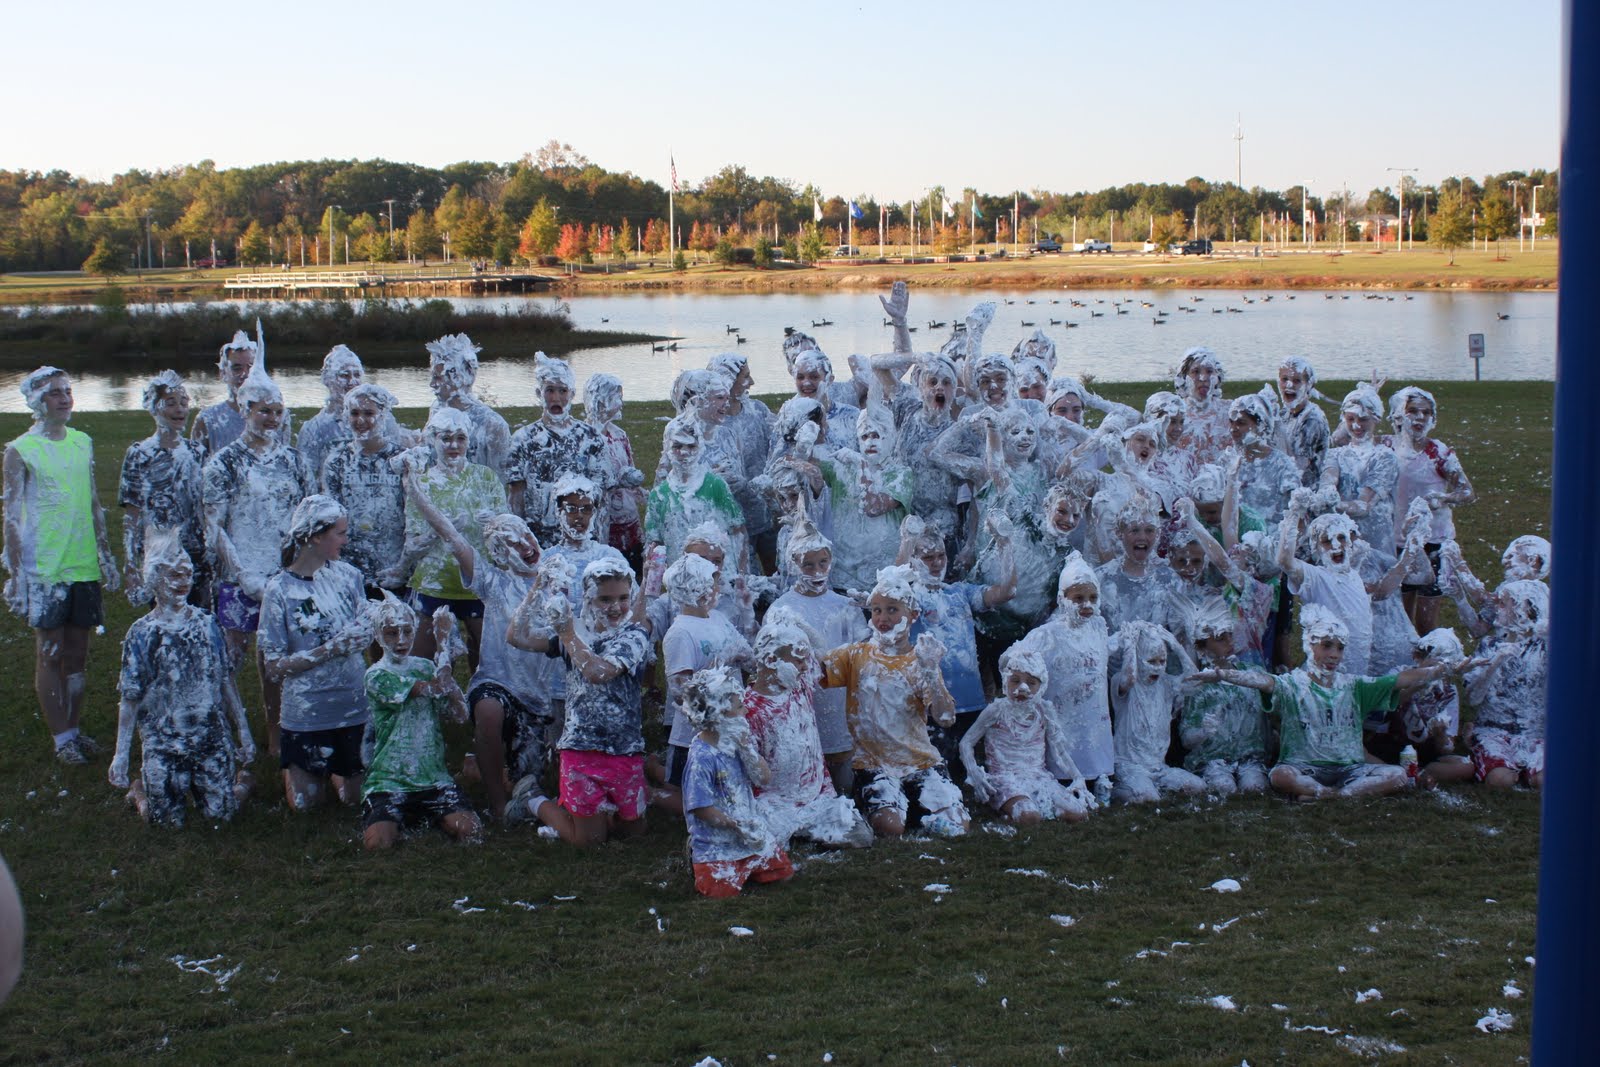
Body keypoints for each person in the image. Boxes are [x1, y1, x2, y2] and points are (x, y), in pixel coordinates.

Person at [406, 468, 549, 823]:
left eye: (526, 537)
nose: (525, 547)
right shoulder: (493, 581)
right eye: (511, 545)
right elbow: (451, 535)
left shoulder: (558, 575)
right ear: (498, 555)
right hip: (499, 682)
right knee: (487, 712)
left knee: (532, 778)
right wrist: (413, 486)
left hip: (543, 694)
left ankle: (481, 765)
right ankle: (497, 805)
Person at [3, 367, 121, 764]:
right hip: (46, 568)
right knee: (49, 652)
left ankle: (74, 727)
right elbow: (13, 517)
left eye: (68, 391)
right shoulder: (20, 450)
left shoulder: (82, 442)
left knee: (77, 654)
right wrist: (17, 575)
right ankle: (62, 738)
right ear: (37, 401)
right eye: (55, 393)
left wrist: (104, 553)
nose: (65, 398)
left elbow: (91, 504)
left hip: (82, 564)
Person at [201, 353, 317, 755]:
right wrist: (242, 573)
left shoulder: (292, 459)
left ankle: (280, 728)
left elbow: (307, 517)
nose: (272, 418)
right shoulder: (224, 463)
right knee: (231, 655)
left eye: (278, 411)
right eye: (264, 410)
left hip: (288, 574)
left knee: (286, 654)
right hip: (241, 576)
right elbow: (214, 527)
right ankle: (217, 726)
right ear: (243, 409)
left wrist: (304, 566)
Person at [1223, 605, 1446, 800]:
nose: (1334, 654)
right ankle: (1327, 792)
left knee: (1397, 775)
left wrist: (1442, 669)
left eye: (1340, 648)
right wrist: (1223, 674)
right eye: (1327, 645)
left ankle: (1333, 795)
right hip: (1303, 768)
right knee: (1279, 776)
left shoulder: (1354, 685)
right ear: (1310, 646)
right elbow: (1264, 682)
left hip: (1350, 769)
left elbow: (1400, 680)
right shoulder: (1293, 684)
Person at [505, 558, 655, 847]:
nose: (615, 607)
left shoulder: (634, 635)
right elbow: (516, 636)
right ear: (588, 597)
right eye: (605, 599)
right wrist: (538, 587)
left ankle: (599, 809)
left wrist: (567, 633)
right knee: (588, 841)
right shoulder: (574, 632)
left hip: (624, 747)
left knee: (634, 834)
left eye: (623, 598)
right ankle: (533, 799)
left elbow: (600, 672)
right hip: (581, 748)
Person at [109, 530, 254, 826]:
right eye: (174, 575)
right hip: (163, 739)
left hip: (208, 735)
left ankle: (243, 784)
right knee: (164, 823)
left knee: (221, 815)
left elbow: (226, 681)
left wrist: (244, 732)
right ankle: (139, 793)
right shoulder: (142, 633)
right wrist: (120, 755)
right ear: (154, 578)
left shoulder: (207, 624)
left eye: (187, 573)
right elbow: (130, 697)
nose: (182, 582)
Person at [818, 564, 968, 838]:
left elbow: (946, 718)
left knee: (960, 823)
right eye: (876, 610)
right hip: (874, 764)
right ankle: (903, 812)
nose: (883, 617)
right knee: (890, 827)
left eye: (892, 609)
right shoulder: (855, 655)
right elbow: (814, 671)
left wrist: (931, 672)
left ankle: (918, 809)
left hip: (921, 762)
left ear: (913, 616)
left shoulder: (921, 660)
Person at [257, 496, 372, 811]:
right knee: (305, 807)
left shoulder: (350, 577)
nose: (346, 540)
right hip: (306, 713)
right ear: (316, 536)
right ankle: (307, 771)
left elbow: (366, 627)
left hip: (352, 706)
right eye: (340, 533)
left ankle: (337, 773)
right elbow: (274, 668)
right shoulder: (279, 590)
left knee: (354, 801)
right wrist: (330, 649)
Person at [360, 593, 480, 849]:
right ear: (378, 635)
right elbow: (434, 689)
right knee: (377, 844)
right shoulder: (376, 675)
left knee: (471, 832)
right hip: (389, 778)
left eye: (406, 631)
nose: (401, 640)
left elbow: (459, 715)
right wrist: (444, 644)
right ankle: (402, 817)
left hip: (432, 778)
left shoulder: (424, 667)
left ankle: (426, 815)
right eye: (392, 633)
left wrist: (445, 669)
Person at [743, 611, 872, 848]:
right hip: (775, 802)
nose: (806, 667)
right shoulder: (749, 710)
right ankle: (794, 835)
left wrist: (798, 625)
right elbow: (754, 774)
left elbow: (820, 650)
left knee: (861, 836)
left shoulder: (798, 686)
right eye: (799, 660)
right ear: (771, 661)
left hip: (817, 798)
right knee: (763, 838)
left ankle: (804, 834)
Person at [399, 406, 507, 667]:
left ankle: (477, 704)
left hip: (477, 581)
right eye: (445, 438)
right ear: (432, 440)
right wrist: (440, 531)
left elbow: (506, 537)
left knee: (487, 663)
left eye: (460, 438)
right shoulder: (422, 484)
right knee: (422, 664)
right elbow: (412, 545)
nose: (453, 445)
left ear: (469, 440)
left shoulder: (485, 478)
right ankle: (428, 705)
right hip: (434, 582)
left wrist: (494, 524)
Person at [769, 520, 869, 794]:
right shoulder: (783, 609)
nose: (817, 571)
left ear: (831, 561)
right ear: (793, 565)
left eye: (822, 563)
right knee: (808, 779)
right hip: (803, 707)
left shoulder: (845, 605)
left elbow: (863, 653)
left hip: (840, 708)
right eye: (808, 565)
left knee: (845, 788)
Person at [680, 667, 795, 899]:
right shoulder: (702, 758)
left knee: (785, 875)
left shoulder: (737, 741)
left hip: (750, 836)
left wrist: (747, 750)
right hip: (716, 843)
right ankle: (695, 851)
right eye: (739, 707)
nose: (746, 710)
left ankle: (749, 865)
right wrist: (736, 826)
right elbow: (702, 808)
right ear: (718, 715)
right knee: (721, 893)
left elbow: (764, 778)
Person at [1013, 553, 1115, 801]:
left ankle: (1102, 775)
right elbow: (1011, 659)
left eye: (1093, 598)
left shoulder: (1098, 626)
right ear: (1062, 599)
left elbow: (1108, 649)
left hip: (1095, 714)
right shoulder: (1048, 634)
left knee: (1095, 737)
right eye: (1078, 599)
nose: (1087, 605)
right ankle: (1066, 779)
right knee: (1068, 750)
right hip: (1063, 716)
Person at [959, 647, 1092, 826]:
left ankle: (1026, 808)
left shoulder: (1044, 710)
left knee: (1078, 814)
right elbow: (966, 742)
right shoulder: (996, 710)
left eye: (1031, 683)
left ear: (1041, 686)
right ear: (1006, 682)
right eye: (1015, 681)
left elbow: (1059, 750)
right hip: (1004, 777)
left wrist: (1077, 777)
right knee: (1029, 817)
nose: (1022, 688)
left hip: (1038, 776)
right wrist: (975, 772)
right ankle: (1007, 807)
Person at [1383, 386, 1475, 632]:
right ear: (1398, 415)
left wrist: (1443, 499)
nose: (1420, 417)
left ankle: (1428, 663)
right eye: (1412, 411)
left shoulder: (1439, 452)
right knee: (1399, 620)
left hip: (1434, 541)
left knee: (1426, 622)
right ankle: (1404, 666)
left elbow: (1467, 492)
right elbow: (1343, 440)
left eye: (1426, 412)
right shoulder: (1386, 447)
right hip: (1398, 542)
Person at [119, 370, 209, 606]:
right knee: (164, 621)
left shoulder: (197, 452)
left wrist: (213, 551)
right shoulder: (140, 454)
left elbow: (205, 507)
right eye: (171, 403)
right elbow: (132, 514)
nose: (180, 409)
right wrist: (130, 565)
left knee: (199, 620)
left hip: (196, 555)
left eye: (184, 402)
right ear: (153, 407)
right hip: (159, 554)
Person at [662, 554, 753, 784]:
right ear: (695, 587)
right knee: (685, 793)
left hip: (728, 726)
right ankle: (653, 782)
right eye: (712, 581)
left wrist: (749, 615)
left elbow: (750, 660)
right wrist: (722, 661)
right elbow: (681, 692)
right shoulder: (680, 633)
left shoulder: (718, 618)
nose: (718, 586)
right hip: (692, 738)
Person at [507, 353, 608, 548]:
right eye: (549, 390)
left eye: (563, 391)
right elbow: (515, 494)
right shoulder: (523, 439)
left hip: (582, 535)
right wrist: (519, 538)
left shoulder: (590, 437)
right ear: (539, 393)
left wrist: (601, 542)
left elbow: (600, 496)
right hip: (538, 537)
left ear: (572, 394)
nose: (556, 398)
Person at [319, 383, 407, 595]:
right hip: (349, 566)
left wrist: (403, 566)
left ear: (383, 415)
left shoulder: (401, 459)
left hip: (393, 566)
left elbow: (413, 518)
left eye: (369, 413)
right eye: (355, 413)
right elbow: (330, 518)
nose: (361, 420)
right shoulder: (337, 461)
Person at [1178, 598, 1270, 796]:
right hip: (1211, 759)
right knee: (1224, 788)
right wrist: (1203, 731)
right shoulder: (1198, 685)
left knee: (1255, 788)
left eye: (1230, 635)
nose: (1230, 642)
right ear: (1202, 648)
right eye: (1221, 639)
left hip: (1249, 757)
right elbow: (1186, 738)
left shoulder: (1252, 674)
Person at [1109, 621, 1205, 804]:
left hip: (1158, 767)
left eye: (1162, 661)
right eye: (1151, 661)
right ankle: (1117, 789)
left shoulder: (1166, 683)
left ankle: (1150, 786)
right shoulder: (1123, 683)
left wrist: (1176, 646)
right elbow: (1129, 678)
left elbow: (1195, 681)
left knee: (1198, 787)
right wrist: (1130, 646)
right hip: (1129, 765)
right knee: (1148, 798)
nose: (1158, 667)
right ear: (1137, 659)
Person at [644, 415, 746, 584]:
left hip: (719, 578)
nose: (684, 452)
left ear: (700, 448)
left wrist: (740, 575)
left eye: (691, 446)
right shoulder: (659, 495)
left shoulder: (715, 486)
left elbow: (738, 531)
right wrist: (652, 584)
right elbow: (655, 545)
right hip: (679, 580)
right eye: (677, 446)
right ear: (667, 448)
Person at [583, 372, 648, 572]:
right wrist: (616, 481)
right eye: (617, 397)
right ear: (600, 401)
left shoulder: (619, 435)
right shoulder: (584, 437)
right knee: (608, 570)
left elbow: (629, 469)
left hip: (628, 518)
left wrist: (642, 492)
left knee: (634, 567)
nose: (621, 403)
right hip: (602, 519)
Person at [192, 327, 293, 453]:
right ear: (223, 373)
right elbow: (196, 469)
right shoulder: (208, 420)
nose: (245, 374)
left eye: (251, 367)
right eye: (237, 368)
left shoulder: (279, 416)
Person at [426, 332, 510, 478]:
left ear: (460, 378)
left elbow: (499, 481)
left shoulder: (492, 424)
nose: (432, 384)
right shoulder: (436, 410)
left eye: (438, 378)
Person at [296, 345, 366, 476]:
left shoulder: (375, 421)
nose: (352, 382)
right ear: (328, 380)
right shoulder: (314, 429)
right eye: (344, 375)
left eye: (357, 374)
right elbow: (305, 477)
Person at [1273, 356, 1330, 487]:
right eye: (1284, 379)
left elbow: (1298, 468)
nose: (1289, 385)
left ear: (1308, 385)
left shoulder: (1312, 419)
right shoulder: (1283, 413)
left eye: (1297, 381)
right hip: (1284, 483)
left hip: (1306, 491)